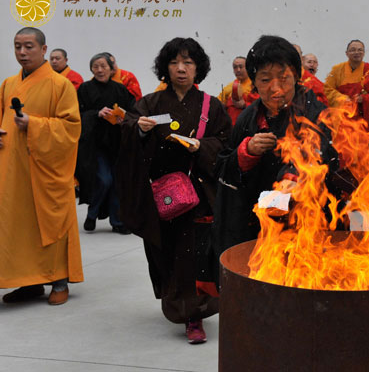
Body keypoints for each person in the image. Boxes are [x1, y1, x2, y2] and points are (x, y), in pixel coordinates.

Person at [117, 37, 231, 344]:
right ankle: (176, 303)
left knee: (194, 254)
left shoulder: (211, 105)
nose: (181, 69)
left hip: (198, 195)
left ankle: (194, 315)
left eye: (188, 63)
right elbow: (126, 132)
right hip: (162, 195)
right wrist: (138, 130)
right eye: (175, 62)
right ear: (165, 68)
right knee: (167, 252)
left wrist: (200, 146)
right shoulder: (151, 104)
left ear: (198, 68)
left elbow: (225, 144)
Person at [211, 35, 338, 260]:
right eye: (265, 79)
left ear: (297, 76)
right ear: (254, 82)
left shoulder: (315, 111)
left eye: (284, 78)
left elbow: (322, 153)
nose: (275, 88)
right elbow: (223, 166)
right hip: (257, 227)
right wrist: (246, 152)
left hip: (306, 223)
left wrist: (293, 178)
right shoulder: (248, 118)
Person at [0, 27, 83, 305]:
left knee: (51, 222)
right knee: (18, 226)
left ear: (44, 49)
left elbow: (72, 127)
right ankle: (29, 282)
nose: (22, 53)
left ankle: (59, 281)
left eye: (28, 47)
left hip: (46, 169)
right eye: (17, 47)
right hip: (14, 169)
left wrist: (33, 125)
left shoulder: (60, 85)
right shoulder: (8, 84)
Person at [76, 53, 135, 234]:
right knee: (104, 179)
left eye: (103, 66)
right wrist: (96, 114)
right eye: (95, 66)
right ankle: (92, 214)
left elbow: (132, 112)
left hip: (117, 143)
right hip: (95, 145)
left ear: (111, 69)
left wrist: (122, 118)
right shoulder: (84, 89)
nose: (100, 70)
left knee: (117, 181)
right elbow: (76, 114)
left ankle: (117, 221)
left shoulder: (120, 89)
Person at [324, 39, 369, 130]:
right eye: (353, 50)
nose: (357, 52)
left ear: (364, 53)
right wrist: (343, 99)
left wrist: (364, 99)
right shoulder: (337, 70)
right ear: (346, 53)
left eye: (360, 50)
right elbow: (326, 90)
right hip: (342, 119)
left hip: (363, 120)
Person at [218, 56, 259, 125]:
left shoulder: (256, 85)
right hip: (232, 128)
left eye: (241, 67)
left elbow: (263, 107)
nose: (238, 70)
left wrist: (245, 105)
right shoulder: (229, 87)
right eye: (235, 67)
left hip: (250, 126)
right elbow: (218, 104)